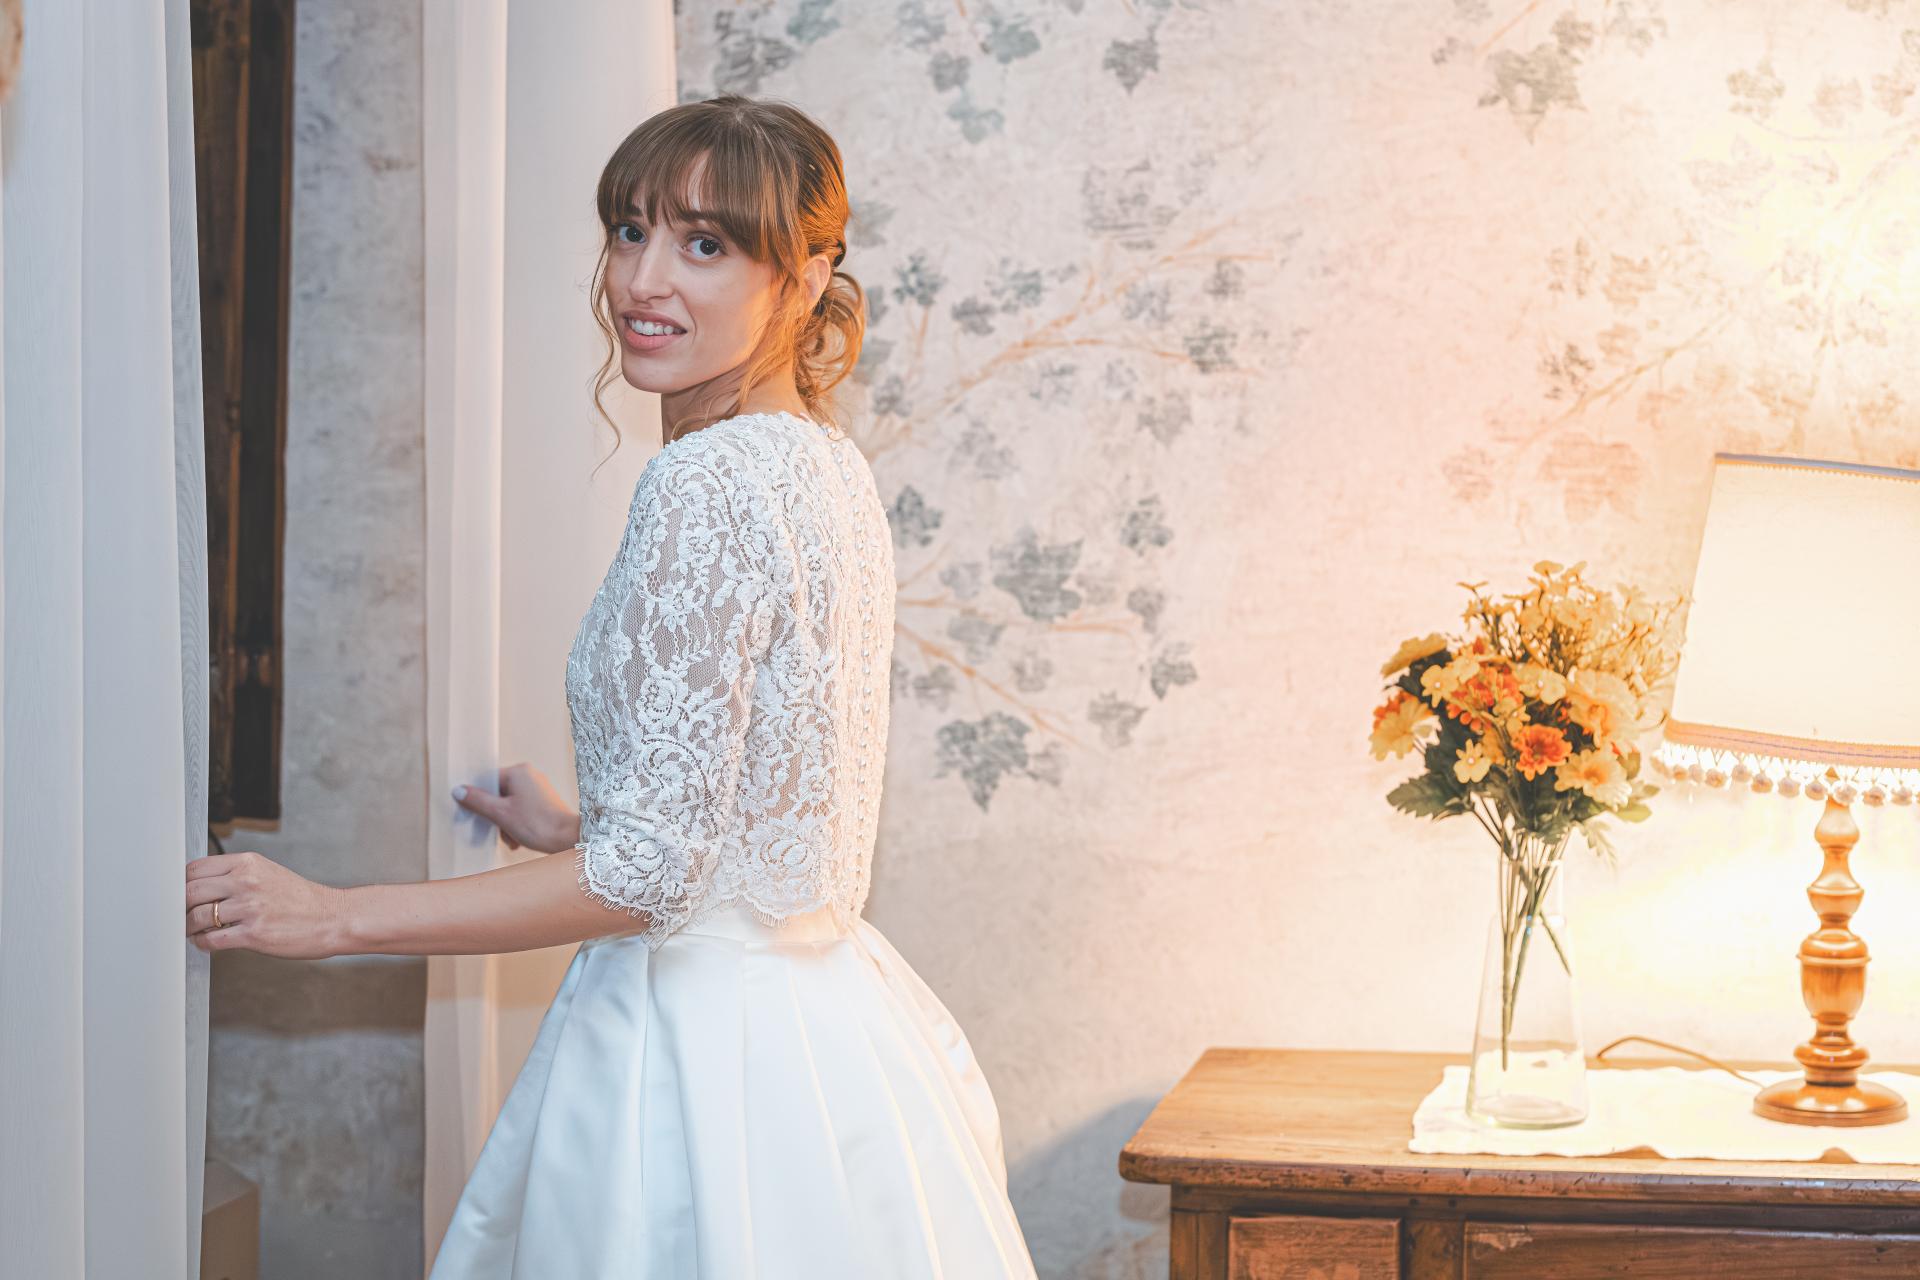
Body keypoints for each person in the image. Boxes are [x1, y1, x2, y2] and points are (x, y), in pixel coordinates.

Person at [184, 94, 1040, 1279]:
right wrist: (576, 826)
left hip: (694, 1062)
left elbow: (649, 877)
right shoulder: (829, 466)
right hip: (823, 1043)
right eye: (630, 229)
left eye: (705, 243)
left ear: (803, 278)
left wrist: (332, 917)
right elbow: (758, 818)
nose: (643, 279)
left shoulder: (705, 482)